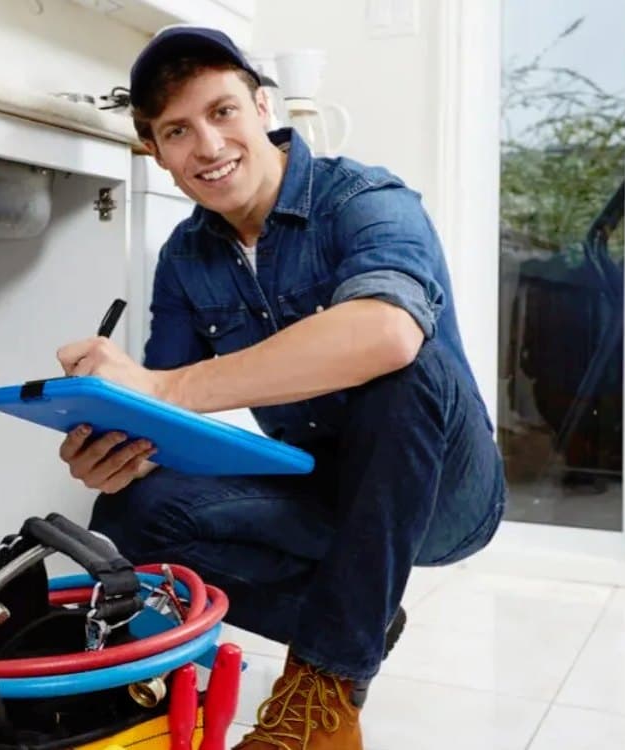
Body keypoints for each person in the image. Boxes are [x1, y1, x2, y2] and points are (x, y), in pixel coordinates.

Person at [54, 26, 507, 750]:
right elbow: (164, 417)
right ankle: (354, 616)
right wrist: (119, 444)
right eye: (178, 130)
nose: (208, 145)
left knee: (400, 358)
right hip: (323, 489)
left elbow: (387, 335)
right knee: (132, 512)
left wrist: (161, 389)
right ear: (156, 152)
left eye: (222, 111)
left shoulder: (366, 198)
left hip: (445, 494)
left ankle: (324, 692)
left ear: (263, 107)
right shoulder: (186, 256)